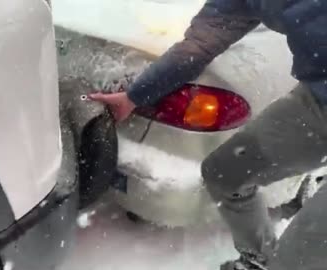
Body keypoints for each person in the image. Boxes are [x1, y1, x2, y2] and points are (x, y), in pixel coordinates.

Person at [89, 1, 327, 269]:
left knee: (301, 258)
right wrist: (134, 97)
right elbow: (197, 47)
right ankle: (258, 259)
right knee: (225, 172)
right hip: (318, 98)